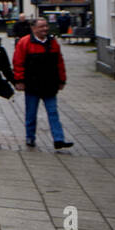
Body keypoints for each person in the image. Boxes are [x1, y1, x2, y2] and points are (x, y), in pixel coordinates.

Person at [13, 17, 73, 150]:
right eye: (41, 26)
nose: (45, 29)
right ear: (33, 28)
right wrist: (19, 81)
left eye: (46, 26)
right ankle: (30, 137)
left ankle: (58, 139)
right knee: (31, 113)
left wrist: (62, 80)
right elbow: (18, 63)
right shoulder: (24, 43)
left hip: (49, 83)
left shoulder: (53, 43)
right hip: (32, 84)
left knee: (53, 112)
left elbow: (59, 62)